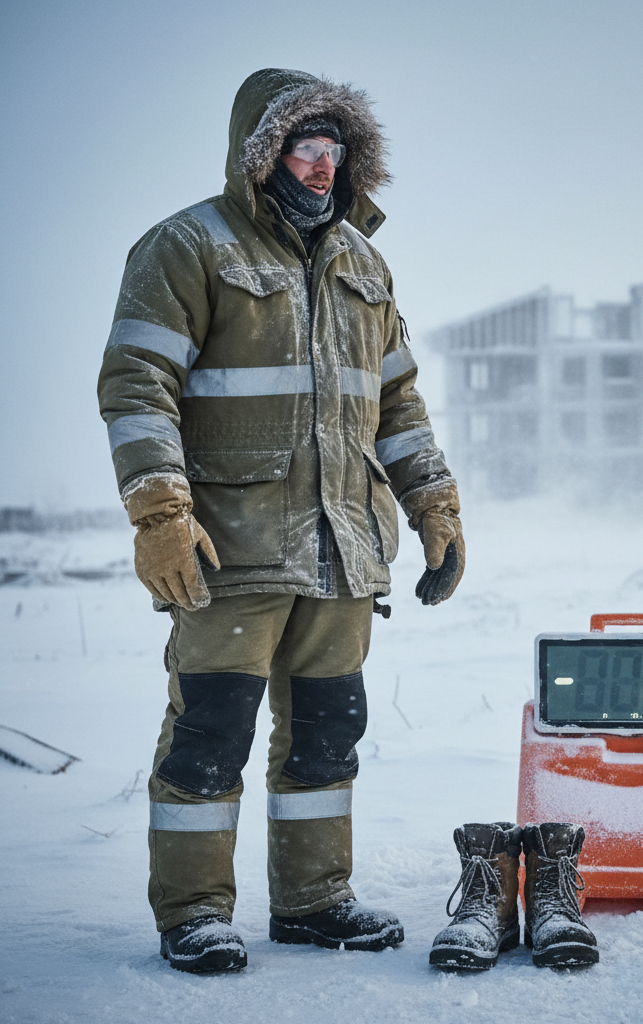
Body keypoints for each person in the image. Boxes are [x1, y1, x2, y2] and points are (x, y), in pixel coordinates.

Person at [97, 68, 465, 973]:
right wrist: (159, 512)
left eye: (334, 148)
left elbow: (397, 403)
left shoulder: (363, 263)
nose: (321, 165)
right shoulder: (189, 245)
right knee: (210, 733)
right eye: (305, 146)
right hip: (231, 548)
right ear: (261, 153)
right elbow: (137, 385)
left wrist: (432, 501)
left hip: (344, 548)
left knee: (329, 734)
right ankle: (194, 912)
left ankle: (313, 901)